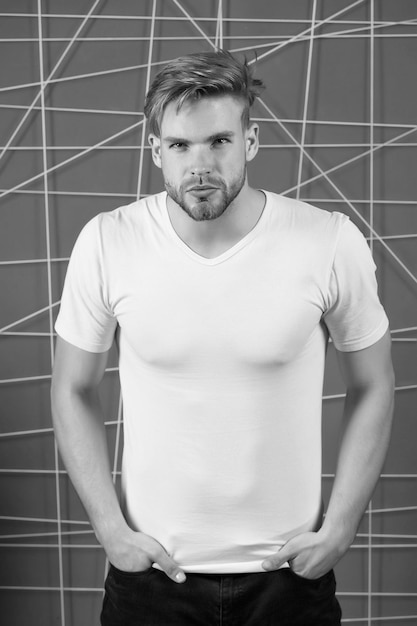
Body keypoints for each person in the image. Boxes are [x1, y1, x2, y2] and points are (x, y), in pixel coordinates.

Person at [51, 50, 395, 625]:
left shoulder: (327, 241)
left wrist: (339, 529)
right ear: (155, 148)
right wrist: (111, 531)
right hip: (152, 580)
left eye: (219, 141)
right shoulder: (108, 241)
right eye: (181, 145)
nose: (201, 164)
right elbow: (70, 388)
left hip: (288, 582)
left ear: (251, 141)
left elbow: (376, 382)